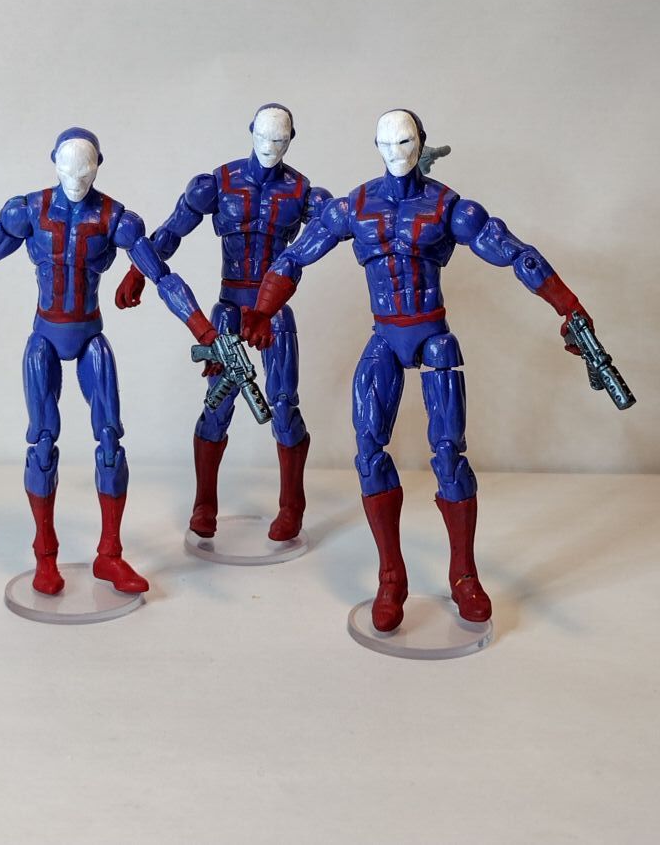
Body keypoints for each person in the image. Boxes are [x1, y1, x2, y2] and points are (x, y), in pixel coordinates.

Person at [241, 109, 592, 630]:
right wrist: (263, 308)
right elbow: (294, 257)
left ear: (421, 142)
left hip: (433, 336)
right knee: (368, 452)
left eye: (405, 142)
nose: (397, 152)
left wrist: (569, 307)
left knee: (450, 456)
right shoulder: (355, 206)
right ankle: (391, 578)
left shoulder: (448, 206)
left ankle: (464, 575)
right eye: (387, 143)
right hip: (385, 336)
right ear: (375, 146)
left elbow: (517, 254)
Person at [0, 128, 217, 596]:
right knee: (42, 444)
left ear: (99, 165)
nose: (77, 180)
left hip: (89, 337)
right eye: (68, 170)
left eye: (85, 171)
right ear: (54, 163)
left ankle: (109, 555)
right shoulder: (27, 211)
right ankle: (45, 557)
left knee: (110, 442)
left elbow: (162, 276)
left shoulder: (116, 219)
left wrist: (203, 330)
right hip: (44, 337)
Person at [115, 104, 331, 541]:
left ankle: (292, 506)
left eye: (280, 139)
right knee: (217, 404)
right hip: (230, 305)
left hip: (273, 309)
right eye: (264, 137)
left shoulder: (304, 193)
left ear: (292, 139)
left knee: (284, 405)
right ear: (251, 131)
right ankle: (204, 503)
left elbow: (333, 232)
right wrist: (139, 269)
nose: (271, 146)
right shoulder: (217, 184)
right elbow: (172, 231)